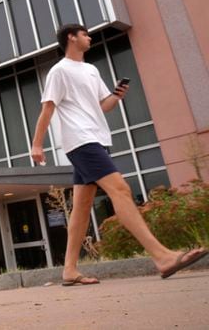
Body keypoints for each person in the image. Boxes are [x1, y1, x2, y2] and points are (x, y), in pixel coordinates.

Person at [30, 24, 206, 285]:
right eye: (85, 34)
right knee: (121, 190)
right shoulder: (59, 71)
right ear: (71, 37)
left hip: (97, 138)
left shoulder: (91, 70)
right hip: (80, 141)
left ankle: (69, 270)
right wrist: (37, 144)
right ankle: (162, 256)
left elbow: (103, 106)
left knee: (82, 206)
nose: (89, 38)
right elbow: (47, 109)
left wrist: (116, 95)